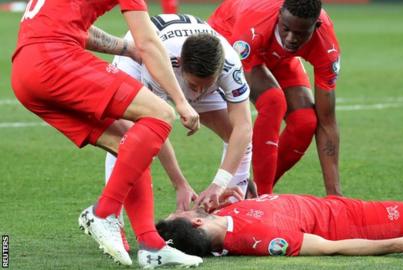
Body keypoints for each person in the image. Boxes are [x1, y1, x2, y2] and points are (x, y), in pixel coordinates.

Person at [10, 0, 208, 267]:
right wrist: (180, 101)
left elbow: (72, 26)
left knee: (131, 144)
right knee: (161, 113)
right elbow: (149, 42)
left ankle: (151, 244)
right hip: (53, 59)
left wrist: (126, 49)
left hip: (25, 73)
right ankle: (104, 211)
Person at [101, 13, 252, 225]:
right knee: (129, 136)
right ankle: (111, 220)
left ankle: (230, 218)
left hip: (186, 56)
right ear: (181, 65)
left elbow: (243, 129)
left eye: (207, 86)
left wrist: (220, 183)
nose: (199, 92)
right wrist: (179, 183)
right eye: (193, 86)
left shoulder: (230, 65)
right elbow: (153, 125)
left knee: (237, 137)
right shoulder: (160, 60)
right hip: (142, 53)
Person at [208, 0, 342, 195]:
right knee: (273, 102)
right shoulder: (252, 26)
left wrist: (335, 195)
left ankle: (254, 191)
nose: (291, 39)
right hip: (228, 38)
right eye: (286, 29)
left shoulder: (327, 47)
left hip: (276, 54)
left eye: (300, 33)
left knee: (304, 123)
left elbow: (328, 122)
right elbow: (238, 99)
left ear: (316, 26)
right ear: (279, 15)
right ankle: (263, 197)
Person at [156, 190, 403, 257]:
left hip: (339, 207)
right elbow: (332, 247)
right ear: (197, 223)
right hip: (358, 222)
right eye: (179, 212)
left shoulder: (226, 218)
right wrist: (399, 243)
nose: (183, 207)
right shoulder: (264, 240)